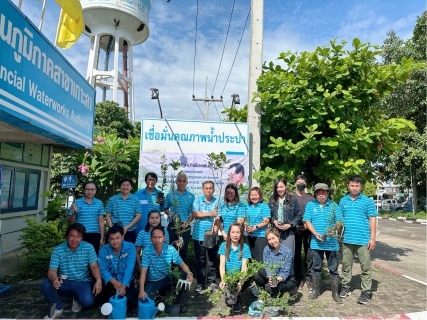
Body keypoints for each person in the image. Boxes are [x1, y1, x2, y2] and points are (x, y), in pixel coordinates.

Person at [41, 223, 102, 319]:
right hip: (64, 282)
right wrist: (54, 279)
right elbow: (52, 270)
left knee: (87, 302)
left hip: (83, 282)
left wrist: (99, 280)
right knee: (46, 284)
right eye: (72, 236)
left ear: (82, 238)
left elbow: (94, 267)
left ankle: (77, 298)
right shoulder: (58, 250)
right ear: (66, 236)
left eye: (78, 236)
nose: (75, 239)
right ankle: (58, 307)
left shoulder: (88, 247)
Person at [339, 176, 377, 305]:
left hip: (363, 240)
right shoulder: (343, 201)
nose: (355, 188)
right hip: (347, 239)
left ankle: (366, 291)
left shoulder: (367, 201)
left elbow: (372, 219)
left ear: (361, 187)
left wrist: (372, 238)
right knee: (346, 265)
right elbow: (340, 219)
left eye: (357, 186)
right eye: (352, 185)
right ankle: (345, 287)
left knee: (365, 267)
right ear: (348, 186)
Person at [138, 226, 194, 314]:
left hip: (167, 278)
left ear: (164, 237)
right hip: (153, 281)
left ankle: (176, 302)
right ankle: (161, 299)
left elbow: (182, 264)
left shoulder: (170, 249)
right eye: (155, 237)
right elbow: (143, 270)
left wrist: (189, 273)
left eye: (160, 237)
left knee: (183, 275)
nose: (157, 240)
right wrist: (141, 290)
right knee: (144, 300)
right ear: (151, 238)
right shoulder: (147, 250)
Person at [304, 183, 343, 303]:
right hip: (316, 243)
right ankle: (316, 290)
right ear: (315, 194)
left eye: (323, 193)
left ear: (328, 193)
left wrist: (334, 230)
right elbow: (307, 221)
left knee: (333, 268)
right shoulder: (310, 205)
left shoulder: (334, 206)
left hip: (332, 244)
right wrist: (315, 234)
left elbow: (340, 221)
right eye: (318, 193)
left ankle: (335, 293)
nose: (321, 195)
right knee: (316, 267)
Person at [192, 181, 220, 292]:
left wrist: (214, 233)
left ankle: (212, 283)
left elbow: (218, 219)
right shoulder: (197, 200)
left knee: (211, 261)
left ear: (213, 189)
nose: (208, 190)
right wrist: (210, 214)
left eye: (210, 188)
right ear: (203, 189)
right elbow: (195, 214)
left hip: (211, 236)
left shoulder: (217, 202)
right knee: (200, 260)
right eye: (206, 188)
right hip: (199, 235)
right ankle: (200, 283)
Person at [98, 225, 137, 306]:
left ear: (122, 237)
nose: (115, 241)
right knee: (103, 300)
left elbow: (129, 268)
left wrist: (124, 285)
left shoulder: (130, 247)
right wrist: (113, 281)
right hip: (110, 280)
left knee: (130, 301)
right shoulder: (103, 250)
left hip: (126, 279)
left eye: (117, 238)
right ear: (108, 239)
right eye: (112, 239)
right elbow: (103, 269)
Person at [218, 223, 252, 313]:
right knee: (229, 301)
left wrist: (240, 282)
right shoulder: (223, 246)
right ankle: (229, 292)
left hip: (239, 276)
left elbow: (244, 267)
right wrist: (223, 279)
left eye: (238, 232)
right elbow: (222, 265)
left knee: (245, 280)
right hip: (228, 277)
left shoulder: (245, 247)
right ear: (229, 233)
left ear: (241, 234)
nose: (235, 235)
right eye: (233, 232)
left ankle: (238, 299)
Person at [253, 228, 295, 297]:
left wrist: (277, 280)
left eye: (273, 238)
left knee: (271, 288)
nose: (272, 241)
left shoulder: (287, 252)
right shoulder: (267, 249)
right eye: (269, 239)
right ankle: (263, 291)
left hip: (285, 278)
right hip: (272, 275)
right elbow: (267, 266)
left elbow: (285, 272)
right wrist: (270, 277)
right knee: (257, 276)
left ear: (278, 237)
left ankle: (282, 292)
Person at [163, 172, 195, 263]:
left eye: (184, 181)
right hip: (173, 225)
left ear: (187, 182)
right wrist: (168, 212)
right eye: (179, 181)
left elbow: (193, 213)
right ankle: (171, 273)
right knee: (171, 249)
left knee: (183, 250)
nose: (181, 183)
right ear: (176, 182)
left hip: (184, 226)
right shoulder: (170, 195)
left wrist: (187, 223)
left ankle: (183, 274)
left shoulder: (191, 196)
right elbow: (165, 208)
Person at [68, 181, 105, 255]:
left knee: (93, 257)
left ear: (95, 190)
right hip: (79, 234)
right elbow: (69, 221)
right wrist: (74, 212)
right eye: (87, 189)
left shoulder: (99, 203)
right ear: (84, 190)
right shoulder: (76, 202)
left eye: (92, 189)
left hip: (95, 235)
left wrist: (102, 237)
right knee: (80, 256)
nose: (90, 191)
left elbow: (101, 221)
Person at [269, 179, 301, 260]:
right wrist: (274, 221)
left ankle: (289, 272)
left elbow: (299, 215)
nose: (280, 189)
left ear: (286, 187)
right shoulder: (272, 199)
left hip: (289, 232)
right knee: (275, 255)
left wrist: (290, 224)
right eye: (277, 187)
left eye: (281, 187)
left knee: (288, 255)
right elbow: (268, 214)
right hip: (275, 231)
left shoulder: (292, 199)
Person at [293, 175, 315, 290]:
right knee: (296, 254)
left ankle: (309, 279)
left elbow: (313, 214)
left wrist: (308, 224)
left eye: (303, 182)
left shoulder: (311, 199)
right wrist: (294, 224)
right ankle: (298, 279)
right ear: (295, 183)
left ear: (306, 184)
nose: (300, 183)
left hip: (308, 230)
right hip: (294, 230)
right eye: (298, 182)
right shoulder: (291, 197)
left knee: (309, 255)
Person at [106, 177, 142, 244]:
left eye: (128, 185)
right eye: (123, 185)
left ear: (131, 187)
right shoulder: (113, 199)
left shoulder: (135, 199)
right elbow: (108, 215)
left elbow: (138, 215)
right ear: (120, 187)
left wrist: (128, 226)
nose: (125, 187)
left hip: (130, 231)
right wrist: (111, 228)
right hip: (115, 233)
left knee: (129, 251)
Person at [241, 187, 270, 262]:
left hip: (261, 236)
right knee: (251, 259)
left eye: (256, 195)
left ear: (260, 195)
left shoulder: (264, 206)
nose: (254, 197)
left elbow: (266, 221)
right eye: (252, 195)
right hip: (249, 236)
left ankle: (261, 274)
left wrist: (255, 227)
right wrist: (245, 226)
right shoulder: (246, 206)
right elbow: (244, 219)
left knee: (260, 259)